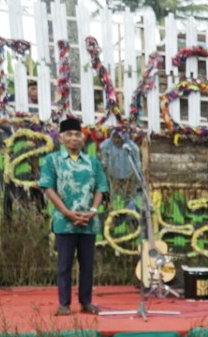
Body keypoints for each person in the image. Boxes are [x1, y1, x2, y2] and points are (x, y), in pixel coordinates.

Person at [39, 116, 108, 316]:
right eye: (69, 134)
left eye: (78, 134)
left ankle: (86, 302)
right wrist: (67, 212)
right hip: (64, 222)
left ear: (83, 138)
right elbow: (48, 189)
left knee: (87, 265)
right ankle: (64, 303)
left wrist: (92, 211)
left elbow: (100, 189)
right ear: (61, 138)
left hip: (88, 222)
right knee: (64, 265)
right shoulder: (52, 161)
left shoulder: (92, 162)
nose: (74, 138)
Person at [97, 127, 141, 205]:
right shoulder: (107, 145)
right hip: (112, 176)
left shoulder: (131, 147)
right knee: (113, 196)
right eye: (114, 138)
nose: (117, 140)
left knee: (128, 196)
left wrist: (138, 175)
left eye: (119, 138)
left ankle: (127, 212)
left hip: (128, 176)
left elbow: (137, 162)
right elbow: (104, 161)